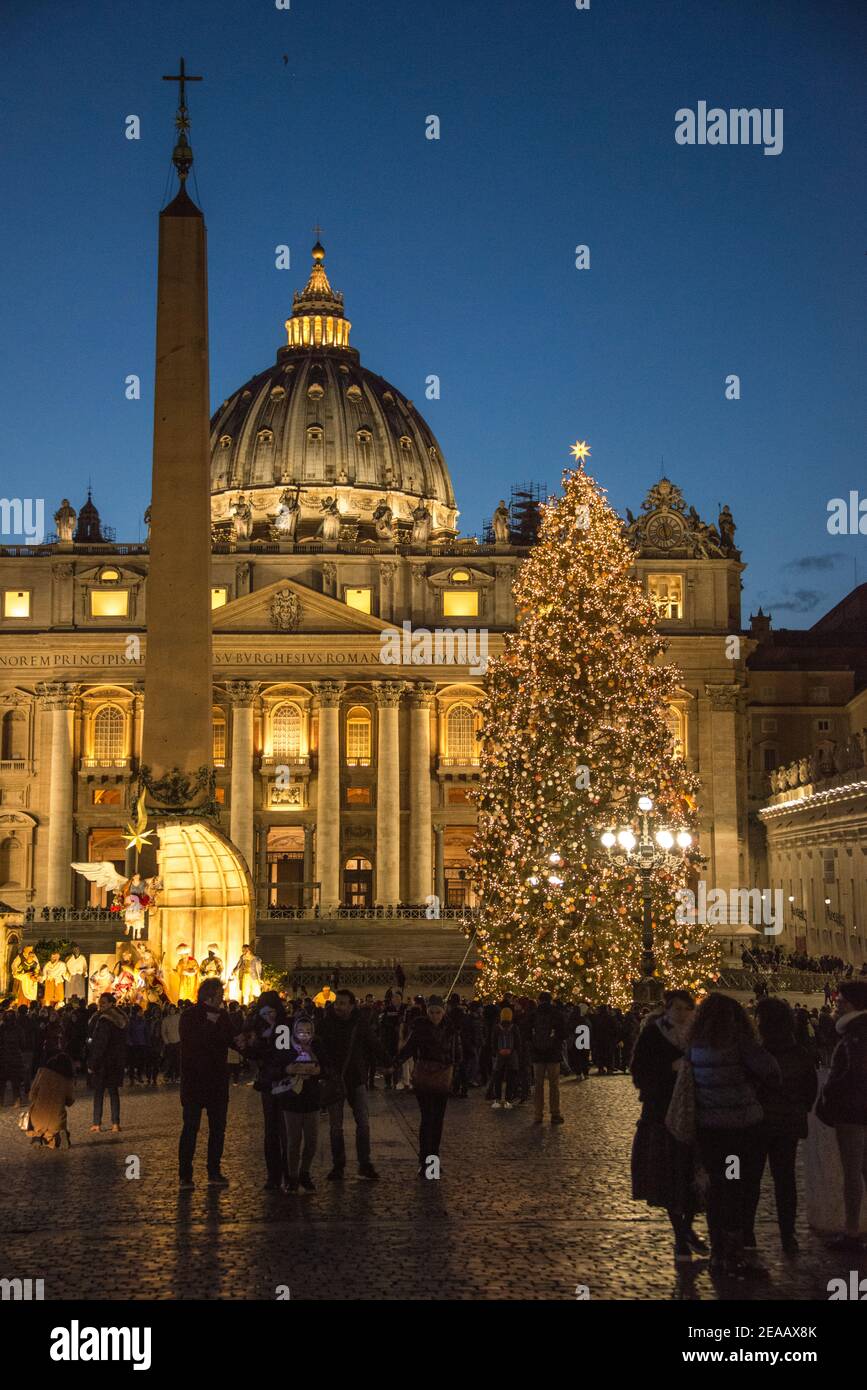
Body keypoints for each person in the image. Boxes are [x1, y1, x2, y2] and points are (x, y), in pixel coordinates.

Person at [689, 993, 781, 1277]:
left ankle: (718, 1251)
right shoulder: (741, 1043)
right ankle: (736, 1252)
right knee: (739, 1188)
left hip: (710, 1131)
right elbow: (771, 1072)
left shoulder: (695, 1046)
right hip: (741, 1130)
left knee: (719, 1188)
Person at [630, 990, 706, 1263]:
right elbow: (638, 1072)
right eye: (677, 1009)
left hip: (694, 1115)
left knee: (693, 1178)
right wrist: (669, 1069)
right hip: (661, 1115)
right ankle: (680, 1237)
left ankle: (687, 1228)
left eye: (687, 1009)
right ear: (667, 1009)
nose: (682, 1014)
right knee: (670, 1178)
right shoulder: (653, 1034)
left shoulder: (699, 1037)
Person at [748, 997, 818, 1255]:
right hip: (788, 1125)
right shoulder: (801, 1054)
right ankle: (788, 1235)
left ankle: (747, 1233)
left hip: (757, 1124)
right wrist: (798, 1110)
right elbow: (810, 1090)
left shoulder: (757, 1053)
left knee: (750, 1178)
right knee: (785, 1180)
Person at [318, 988, 390, 1181]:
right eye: (337, 1003)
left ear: (351, 1005)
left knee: (363, 1123)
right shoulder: (325, 1024)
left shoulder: (360, 1023)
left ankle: (364, 1164)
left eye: (342, 1003)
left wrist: (388, 1062)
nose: (338, 1007)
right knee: (335, 1126)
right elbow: (318, 1047)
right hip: (334, 1079)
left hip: (356, 1078)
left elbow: (373, 1044)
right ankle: (338, 1165)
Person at [815, 979, 867, 1248]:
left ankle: (852, 1231)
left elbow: (854, 1075)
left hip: (853, 1111)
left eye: (841, 1001)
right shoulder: (857, 1030)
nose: (836, 1004)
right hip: (859, 1109)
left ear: (853, 1004)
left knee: (852, 1171)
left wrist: (829, 1093)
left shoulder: (856, 1034)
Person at [178, 978, 234, 1188]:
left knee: (218, 1130)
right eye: (220, 993)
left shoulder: (224, 1016)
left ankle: (214, 1171)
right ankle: (185, 1175)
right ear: (210, 995)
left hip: (217, 1081)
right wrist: (209, 1023)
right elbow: (192, 1043)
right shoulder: (189, 1016)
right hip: (194, 1081)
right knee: (190, 1128)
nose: (223, 997)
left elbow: (232, 1039)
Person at [397, 994, 461, 1177]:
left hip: (442, 1076)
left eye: (438, 1012)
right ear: (427, 1011)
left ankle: (433, 1161)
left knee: (437, 1121)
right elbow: (408, 1049)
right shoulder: (420, 1028)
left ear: (443, 1011)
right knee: (427, 1119)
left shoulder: (451, 1028)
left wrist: (453, 1070)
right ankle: (425, 1161)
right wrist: (394, 1062)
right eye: (431, 1012)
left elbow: (458, 1052)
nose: (434, 1016)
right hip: (425, 1076)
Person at [237, 992, 290, 1191]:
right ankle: (273, 1175)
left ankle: (288, 1171)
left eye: (272, 1011)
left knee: (284, 1130)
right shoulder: (257, 1029)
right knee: (271, 1130)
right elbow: (250, 1053)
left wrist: (264, 1049)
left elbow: (283, 1053)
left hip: (283, 1082)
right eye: (265, 1012)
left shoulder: (283, 1027)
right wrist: (250, 1047)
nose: (269, 1015)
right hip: (268, 1083)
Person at [278, 1015, 325, 1194]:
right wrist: (288, 1069)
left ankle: (305, 1172)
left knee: (312, 1140)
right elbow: (279, 1066)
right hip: (292, 1098)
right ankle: (292, 1176)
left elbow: (326, 1065)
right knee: (293, 1141)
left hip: (311, 1097)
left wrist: (318, 1069)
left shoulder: (317, 1046)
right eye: (300, 1031)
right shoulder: (286, 1046)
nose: (304, 1035)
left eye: (308, 1031)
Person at [88, 993, 128, 1133]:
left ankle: (96, 1123)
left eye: (104, 1002)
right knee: (113, 1092)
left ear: (111, 1003)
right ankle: (115, 1123)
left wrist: (93, 1062)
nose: (101, 1005)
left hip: (104, 1062)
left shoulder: (104, 1021)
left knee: (99, 1092)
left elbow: (100, 1044)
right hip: (116, 1062)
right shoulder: (120, 1020)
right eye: (100, 1002)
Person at [28, 1047, 75, 1148]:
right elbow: (70, 1101)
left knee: (34, 1112)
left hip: (37, 1119)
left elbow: (31, 1095)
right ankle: (61, 1134)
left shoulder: (42, 1073)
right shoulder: (67, 1081)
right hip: (57, 1122)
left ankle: (37, 1137)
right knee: (59, 1116)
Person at [531, 992, 566, 1124]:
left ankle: (538, 1115)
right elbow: (563, 1033)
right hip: (553, 1055)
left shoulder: (534, 1013)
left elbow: (527, 1032)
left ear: (539, 1000)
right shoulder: (557, 1014)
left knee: (538, 1085)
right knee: (554, 1085)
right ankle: (555, 1113)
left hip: (537, 1055)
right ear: (551, 1000)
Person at [490, 1007, 521, 1110]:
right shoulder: (514, 1027)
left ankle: (498, 1099)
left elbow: (493, 1041)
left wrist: (497, 1052)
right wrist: (513, 1051)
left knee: (498, 1077)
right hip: (511, 1055)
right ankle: (508, 1099)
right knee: (510, 1078)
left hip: (500, 1055)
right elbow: (518, 1042)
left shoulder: (496, 1027)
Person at [0, 1006, 27, 1106]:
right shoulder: (18, 1029)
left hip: (3, 1058)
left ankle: (1, 1101)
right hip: (15, 1057)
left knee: (2, 1082)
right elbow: (23, 1044)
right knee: (15, 1081)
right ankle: (17, 1100)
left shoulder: (2, 1028)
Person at [160, 1005, 181, 1082]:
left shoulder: (179, 1018)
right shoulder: (166, 1020)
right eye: (171, 1009)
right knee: (170, 1060)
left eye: (173, 1009)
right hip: (170, 1042)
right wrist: (166, 1041)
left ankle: (177, 1075)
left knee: (178, 1060)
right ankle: (170, 1075)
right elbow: (163, 1031)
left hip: (178, 1041)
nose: (172, 1011)